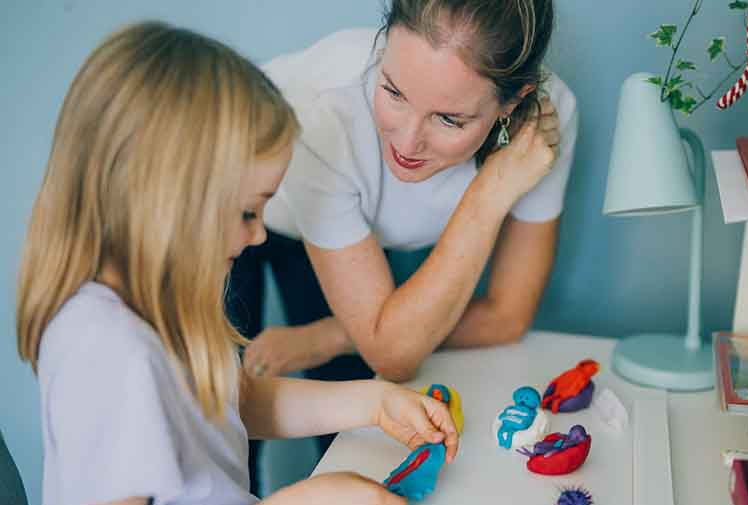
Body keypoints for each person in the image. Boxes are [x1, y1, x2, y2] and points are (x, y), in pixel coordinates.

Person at [16, 21, 458, 505]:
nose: (259, 234)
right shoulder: (105, 349)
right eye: (247, 211)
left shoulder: (160, 306)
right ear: (164, 199)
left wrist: (373, 403)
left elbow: (233, 405)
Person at [233, 0, 576, 388]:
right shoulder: (323, 113)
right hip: (233, 206)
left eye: (449, 119)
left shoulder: (544, 129)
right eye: (394, 92)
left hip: (355, 228)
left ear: (513, 102)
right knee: (229, 410)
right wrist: (491, 192)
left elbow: (506, 318)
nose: (407, 143)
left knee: (351, 414)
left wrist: (330, 338)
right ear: (383, 48)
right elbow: (392, 351)